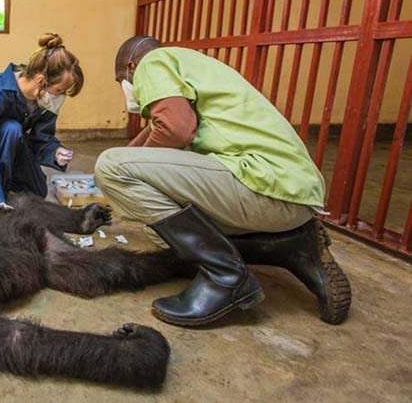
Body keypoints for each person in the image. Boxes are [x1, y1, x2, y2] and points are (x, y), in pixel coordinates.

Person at [95, 35, 351, 327]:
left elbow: (175, 131)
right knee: (160, 233)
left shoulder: (153, 62)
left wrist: (115, 173)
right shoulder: (195, 68)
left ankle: (226, 276)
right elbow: (154, 137)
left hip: (263, 180)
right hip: (289, 197)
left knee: (109, 165)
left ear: (131, 66)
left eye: (121, 81)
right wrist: (130, 161)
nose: (126, 88)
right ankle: (289, 246)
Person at [0, 33, 84, 206]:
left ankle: (7, 181)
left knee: (37, 192)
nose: (61, 97)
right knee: (11, 128)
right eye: (60, 90)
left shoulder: (44, 100)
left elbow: (42, 136)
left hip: (14, 136)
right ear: (41, 81)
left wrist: (55, 151)